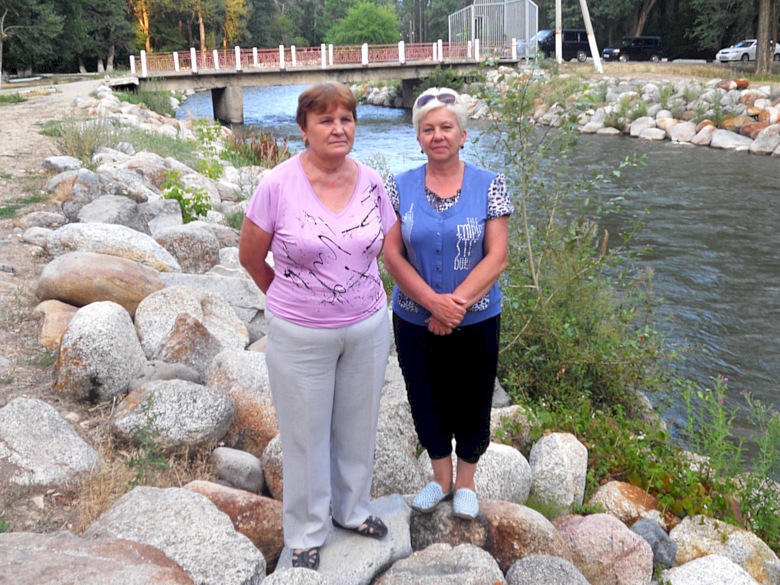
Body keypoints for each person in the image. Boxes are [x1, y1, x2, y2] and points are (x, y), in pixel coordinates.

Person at [238, 81, 397, 570]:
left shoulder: (372, 182)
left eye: (346, 119)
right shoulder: (277, 185)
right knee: (305, 436)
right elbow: (250, 257)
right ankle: (306, 533)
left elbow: (389, 249)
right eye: (326, 119)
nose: (338, 128)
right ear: (304, 128)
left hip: (368, 327)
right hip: (300, 334)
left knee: (358, 426)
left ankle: (352, 510)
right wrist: (292, 302)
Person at [382, 87, 514, 521]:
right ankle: (440, 478)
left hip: (477, 318)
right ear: (418, 137)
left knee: (473, 396)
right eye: (428, 129)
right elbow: (392, 255)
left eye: (446, 127)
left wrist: (453, 307)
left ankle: (466, 483)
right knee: (425, 394)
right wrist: (431, 305)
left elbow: (498, 255)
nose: (437, 135)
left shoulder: (490, 184)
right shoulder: (397, 186)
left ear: (463, 134)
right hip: (413, 318)